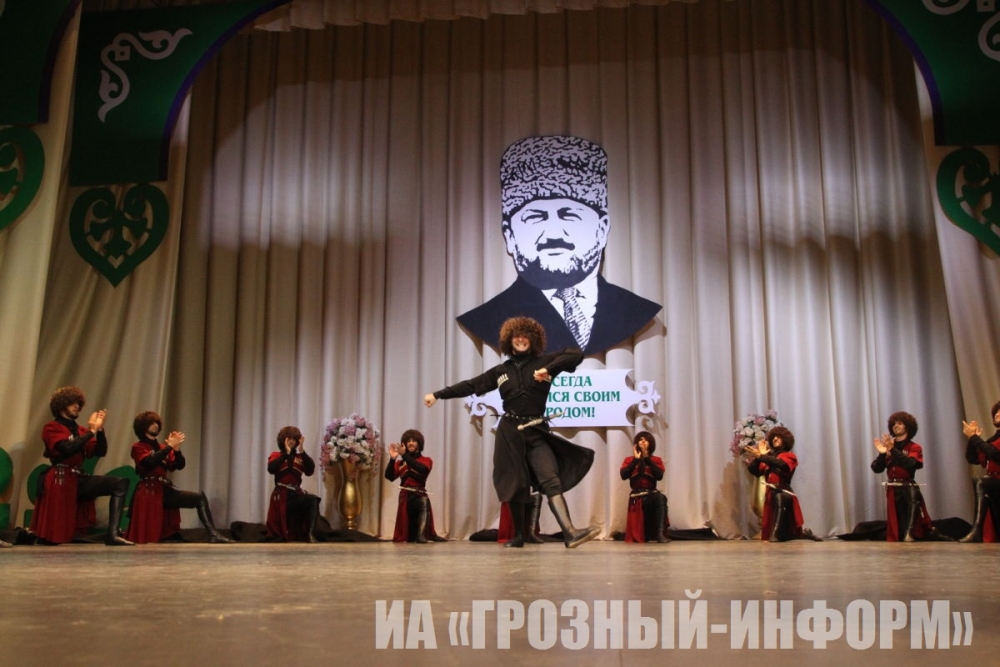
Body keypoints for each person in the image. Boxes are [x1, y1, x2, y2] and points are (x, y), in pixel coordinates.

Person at [456, 135, 661, 356]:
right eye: (535, 217)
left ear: (602, 229)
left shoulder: (633, 310)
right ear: (510, 235)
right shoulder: (490, 317)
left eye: (570, 215)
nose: (553, 234)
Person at [425, 316, 599, 548]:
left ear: (533, 339)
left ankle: (570, 532)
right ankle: (518, 536)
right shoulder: (500, 371)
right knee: (515, 485)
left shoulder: (544, 362)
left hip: (537, 431)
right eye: (516, 336)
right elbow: (470, 385)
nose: (521, 339)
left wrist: (548, 368)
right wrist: (438, 395)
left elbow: (575, 353)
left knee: (550, 479)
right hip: (510, 433)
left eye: (525, 336)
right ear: (509, 340)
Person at [30, 386, 133, 546]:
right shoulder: (52, 427)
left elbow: (100, 451)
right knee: (55, 536)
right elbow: (66, 448)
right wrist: (91, 431)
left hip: (78, 479)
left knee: (119, 483)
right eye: (72, 402)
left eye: (78, 403)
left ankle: (112, 535)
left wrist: (100, 430)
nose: (77, 406)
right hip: (61, 478)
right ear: (61, 405)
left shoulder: (81, 430)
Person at [125, 411, 232, 544]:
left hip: (163, 489)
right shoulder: (138, 446)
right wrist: (169, 447)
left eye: (156, 423)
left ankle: (213, 534)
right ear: (142, 426)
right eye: (151, 423)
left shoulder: (162, 447)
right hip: (149, 491)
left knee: (199, 498)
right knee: (150, 532)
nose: (155, 425)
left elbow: (179, 465)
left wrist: (176, 450)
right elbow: (148, 462)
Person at [870, 411, 938, 542]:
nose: (896, 426)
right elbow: (876, 469)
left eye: (900, 423)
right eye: (894, 424)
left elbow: (912, 464)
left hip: (908, 488)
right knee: (896, 526)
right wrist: (882, 454)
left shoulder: (914, 447)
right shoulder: (888, 447)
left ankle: (911, 534)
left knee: (913, 521)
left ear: (908, 426)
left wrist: (893, 450)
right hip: (892, 489)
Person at [746, 426, 804, 542]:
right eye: (774, 437)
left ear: (785, 440)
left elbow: (781, 465)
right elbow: (754, 471)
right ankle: (779, 535)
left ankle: (777, 534)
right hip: (770, 494)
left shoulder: (789, 455)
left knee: (779, 497)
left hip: (783, 492)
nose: (775, 439)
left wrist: (761, 456)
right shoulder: (769, 458)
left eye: (779, 437)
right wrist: (759, 457)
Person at [266, 426, 321, 542]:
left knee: (313, 500)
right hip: (281, 496)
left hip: (295, 495)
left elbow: (310, 471)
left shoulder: (301, 457)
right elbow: (271, 468)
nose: (291, 441)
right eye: (288, 439)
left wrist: (302, 451)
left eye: (294, 439)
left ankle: (311, 535)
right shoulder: (276, 455)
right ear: (283, 440)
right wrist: (286, 454)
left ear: (297, 441)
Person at [384, 429, 438, 543]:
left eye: (414, 441)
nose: (411, 443)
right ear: (404, 444)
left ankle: (421, 536)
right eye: (408, 441)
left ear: (419, 444)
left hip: (419, 494)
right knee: (409, 536)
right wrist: (392, 459)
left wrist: (404, 455)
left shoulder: (426, 460)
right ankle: (415, 536)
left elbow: (422, 469)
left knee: (424, 501)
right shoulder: (400, 463)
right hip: (406, 498)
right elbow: (389, 476)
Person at [959, 401, 1000, 542]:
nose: (997, 414)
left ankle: (977, 530)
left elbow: (996, 455)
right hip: (994, 485)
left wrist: (974, 437)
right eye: (996, 412)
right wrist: (972, 440)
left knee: (982, 482)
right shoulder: (993, 439)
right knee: (983, 482)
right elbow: (973, 459)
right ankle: (978, 531)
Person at [620, 431, 669, 543]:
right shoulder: (629, 460)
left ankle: (660, 534)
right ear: (636, 443)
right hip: (637, 497)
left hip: (651, 495)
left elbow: (659, 476)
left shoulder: (656, 460)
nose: (643, 441)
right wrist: (636, 460)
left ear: (651, 443)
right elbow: (623, 475)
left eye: (646, 440)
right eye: (640, 439)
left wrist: (647, 459)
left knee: (661, 498)